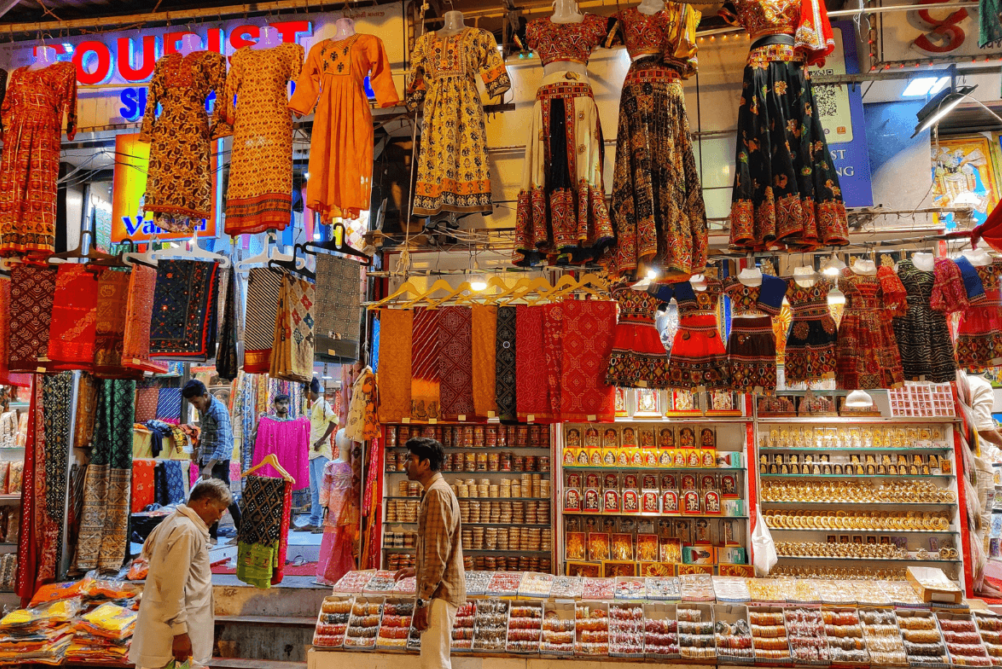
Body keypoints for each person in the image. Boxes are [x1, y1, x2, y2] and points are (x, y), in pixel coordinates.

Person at [130, 478, 233, 669]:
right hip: (173, 634)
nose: (220, 517)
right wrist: (180, 633)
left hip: (171, 628)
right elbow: (172, 585)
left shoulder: (174, 521)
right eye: (219, 510)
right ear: (206, 502)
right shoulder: (186, 530)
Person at [393, 437, 465, 669]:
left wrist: (423, 601)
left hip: (439, 592)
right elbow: (438, 546)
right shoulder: (436, 491)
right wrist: (418, 569)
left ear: (425, 464)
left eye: (410, 459)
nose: (405, 464)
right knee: (434, 659)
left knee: (434, 663)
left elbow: (437, 550)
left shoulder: (436, 494)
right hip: (438, 588)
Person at [182, 380, 241, 543]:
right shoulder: (203, 407)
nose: (195, 405)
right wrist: (196, 450)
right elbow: (206, 432)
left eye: (195, 401)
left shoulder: (219, 410)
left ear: (205, 396)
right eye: (191, 403)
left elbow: (223, 443)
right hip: (207, 457)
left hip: (218, 460)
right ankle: (211, 536)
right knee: (209, 496)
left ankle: (240, 532)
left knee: (224, 496)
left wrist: (209, 466)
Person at [299, 378, 338, 533]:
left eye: (304, 392)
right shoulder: (316, 406)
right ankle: (314, 520)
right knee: (314, 490)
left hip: (322, 453)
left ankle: (324, 522)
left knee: (323, 489)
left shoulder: (322, 404)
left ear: (309, 391)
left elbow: (334, 420)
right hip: (314, 454)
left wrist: (322, 440)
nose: (303, 395)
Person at [969, 373, 1002, 457]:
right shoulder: (982, 386)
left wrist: (994, 432)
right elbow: (984, 430)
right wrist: (999, 441)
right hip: (974, 455)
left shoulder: (961, 378)